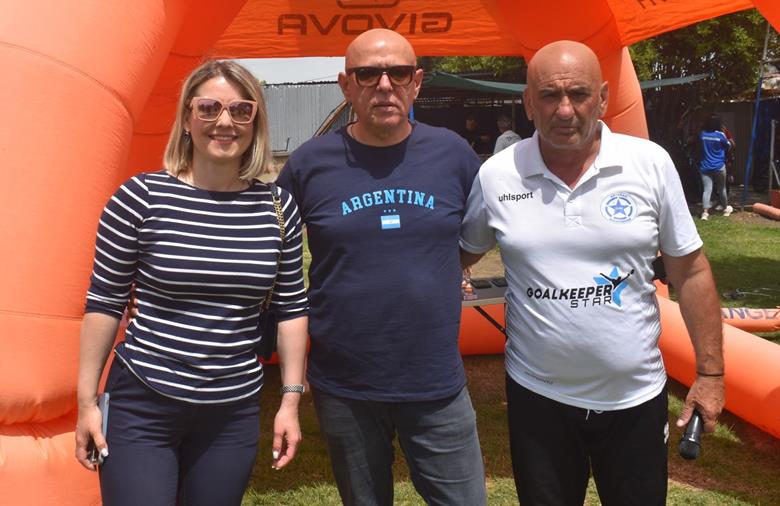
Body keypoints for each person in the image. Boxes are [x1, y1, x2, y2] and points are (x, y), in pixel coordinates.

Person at [460, 40, 725, 506]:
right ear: (528, 103)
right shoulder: (498, 175)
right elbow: (458, 254)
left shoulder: (649, 163)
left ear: (602, 98)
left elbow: (691, 272)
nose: (565, 110)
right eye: (549, 96)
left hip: (635, 398)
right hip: (537, 399)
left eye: (579, 94)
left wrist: (711, 373)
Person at [74, 60, 309, 506]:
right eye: (208, 108)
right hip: (143, 403)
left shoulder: (278, 207)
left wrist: (290, 401)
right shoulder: (140, 198)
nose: (225, 121)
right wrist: (86, 403)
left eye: (241, 110)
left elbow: (292, 308)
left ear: (256, 121)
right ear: (186, 118)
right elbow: (104, 302)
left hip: (232, 412)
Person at [275, 28, 487, 506]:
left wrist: (452, 267)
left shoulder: (453, 153)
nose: (385, 85)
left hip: (436, 381)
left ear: (418, 82)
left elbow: (486, 230)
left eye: (399, 73)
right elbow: (265, 244)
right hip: (345, 385)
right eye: (368, 74)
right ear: (346, 85)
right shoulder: (310, 163)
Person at [699, 114, 735, 220]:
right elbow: (729, 146)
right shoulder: (720, 135)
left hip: (705, 166)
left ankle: (705, 213)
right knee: (722, 188)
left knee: (707, 190)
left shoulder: (702, 134)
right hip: (719, 166)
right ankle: (725, 209)